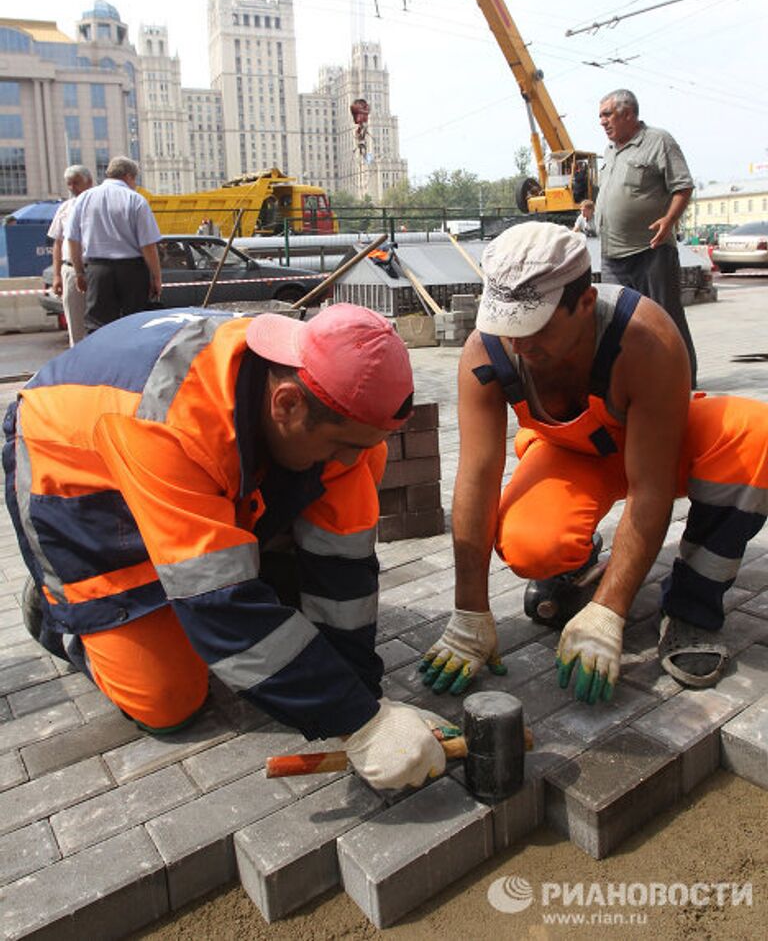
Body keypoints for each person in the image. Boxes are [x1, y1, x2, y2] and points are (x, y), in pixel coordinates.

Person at [3, 303, 451, 791]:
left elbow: (344, 570)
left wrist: (365, 695)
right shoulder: (170, 419)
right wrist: (359, 723)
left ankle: (189, 572)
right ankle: (58, 611)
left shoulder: (335, 415)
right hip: (79, 479)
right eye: (343, 445)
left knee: (293, 596)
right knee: (169, 701)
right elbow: (218, 602)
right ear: (286, 405)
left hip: (181, 469)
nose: (353, 459)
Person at [419, 222, 768, 704]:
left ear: (584, 304)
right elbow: (476, 477)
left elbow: (651, 487)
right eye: (506, 327)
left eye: (533, 327)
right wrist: (469, 613)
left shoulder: (646, 339)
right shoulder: (486, 351)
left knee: (756, 438)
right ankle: (577, 562)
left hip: (661, 443)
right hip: (573, 454)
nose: (517, 346)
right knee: (531, 545)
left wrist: (610, 611)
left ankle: (691, 606)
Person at [596, 89, 697, 385]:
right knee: (617, 322)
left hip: (650, 250)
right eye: (600, 116)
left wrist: (670, 220)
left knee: (666, 320)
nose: (602, 122)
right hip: (613, 254)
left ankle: (683, 382)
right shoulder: (610, 151)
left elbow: (683, 186)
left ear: (629, 114)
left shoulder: (658, 141)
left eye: (607, 114)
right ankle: (635, 382)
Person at [65, 156, 162, 333]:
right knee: (135, 324)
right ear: (128, 176)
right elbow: (148, 245)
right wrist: (156, 277)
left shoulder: (84, 199)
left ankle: (100, 359)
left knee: (97, 325)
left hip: (97, 269)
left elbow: (72, 239)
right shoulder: (136, 200)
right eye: (135, 180)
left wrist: (79, 272)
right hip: (132, 271)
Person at [47, 165, 93, 345]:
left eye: (76, 183)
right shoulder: (65, 208)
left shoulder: (97, 205)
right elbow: (58, 243)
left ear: (88, 182)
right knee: (76, 325)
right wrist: (57, 275)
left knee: (102, 323)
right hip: (71, 271)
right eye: (69, 184)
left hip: (96, 268)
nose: (73, 187)